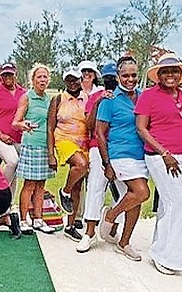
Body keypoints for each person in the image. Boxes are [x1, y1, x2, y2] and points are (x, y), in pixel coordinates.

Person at [136, 52, 182, 274]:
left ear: (180, 74)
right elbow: (142, 128)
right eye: (165, 71)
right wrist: (164, 153)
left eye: (174, 70)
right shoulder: (148, 96)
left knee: (170, 205)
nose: (170, 74)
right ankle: (163, 255)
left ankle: (174, 252)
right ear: (158, 75)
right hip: (160, 156)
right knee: (181, 203)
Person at [98, 57, 150, 262]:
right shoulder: (109, 100)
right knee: (141, 192)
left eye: (133, 75)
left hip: (141, 154)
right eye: (125, 75)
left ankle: (124, 243)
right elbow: (100, 133)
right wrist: (106, 163)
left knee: (135, 199)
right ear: (118, 76)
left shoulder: (143, 97)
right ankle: (110, 216)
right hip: (119, 153)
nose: (130, 79)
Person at [78, 61, 126, 253]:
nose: (110, 81)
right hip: (98, 146)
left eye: (113, 77)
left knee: (127, 191)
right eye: (106, 78)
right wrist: (99, 101)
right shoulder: (96, 96)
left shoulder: (127, 96)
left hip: (122, 148)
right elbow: (90, 126)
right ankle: (89, 233)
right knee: (96, 188)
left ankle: (111, 224)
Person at [12, 63, 55, 234]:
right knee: (29, 184)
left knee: (41, 185)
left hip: (45, 146)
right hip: (31, 145)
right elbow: (15, 122)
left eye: (45, 76)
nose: (42, 79)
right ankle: (23, 219)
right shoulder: (27, 97)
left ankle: (38, 218)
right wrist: (24, 124)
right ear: (33, 80)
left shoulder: (49, 99)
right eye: (39, 76)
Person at [48, 66, 89, 241]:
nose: (73, 83)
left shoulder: (86, 98)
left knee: (78, 185)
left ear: (81, 80)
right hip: (64, 140)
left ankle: (70, 225)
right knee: (81, 165)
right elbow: (50, 127)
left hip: (83, 141)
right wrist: (51, 154)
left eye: (75, 79)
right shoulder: (59, 99)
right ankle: (64, 191)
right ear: (64, 81)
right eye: (69, 80)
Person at [0, 62, 26, 197]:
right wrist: (0, 135)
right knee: (12, 161)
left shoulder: (23, 93)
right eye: (5, 74)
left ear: (15, 74)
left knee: (17, 169)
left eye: (10, 74)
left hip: (18, 136)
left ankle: (9, 202)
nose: (8, 77)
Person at [73, 60, 105, 229]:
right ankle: (76, 215)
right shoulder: (74, 92)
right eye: (84, 71)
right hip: (77, 138)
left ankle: (91, 215)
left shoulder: (100, 92)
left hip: (94, 138)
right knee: (78, 176)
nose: (86, 74)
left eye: (90, 71)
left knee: (93, 180)